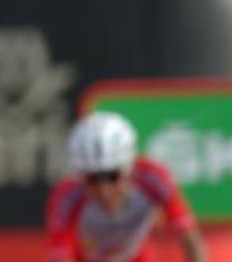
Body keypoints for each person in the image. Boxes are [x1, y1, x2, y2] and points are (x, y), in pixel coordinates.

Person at [46, 111, 209, 262]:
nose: (105, 190)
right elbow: (60, 256)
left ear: (129, 167)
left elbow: (189, 236)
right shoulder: (65, 197)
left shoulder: (153, 179)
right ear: (79, 175)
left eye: (113, 176)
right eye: (92, 179)